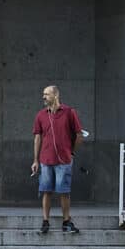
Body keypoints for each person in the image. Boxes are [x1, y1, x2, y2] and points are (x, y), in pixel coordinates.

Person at [31, 84, 88, 235]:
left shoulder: (69, 112)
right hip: (46, 159)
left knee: (64, 191)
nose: (44, 97)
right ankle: (45, 222)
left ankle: (66, 222)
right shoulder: (41, 115)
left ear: (55, 95)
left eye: (47, 94)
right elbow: (37, 138)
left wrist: (71, 153)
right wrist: (35, 160)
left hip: (64, 160)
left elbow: (79, 135)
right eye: (43, 94)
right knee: (46, 191)